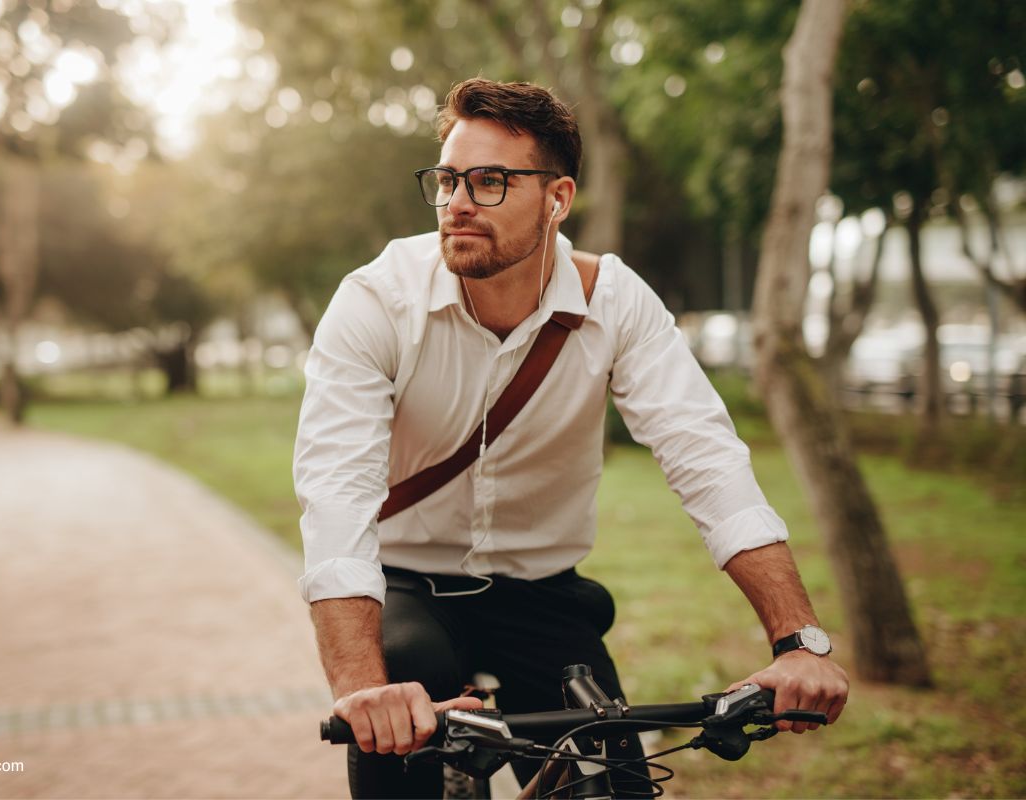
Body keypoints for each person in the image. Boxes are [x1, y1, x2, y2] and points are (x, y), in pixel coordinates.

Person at [293, 77, 849, 798]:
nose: (457, 202)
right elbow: (336, 492)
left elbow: (708, 462)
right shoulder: (376, 300)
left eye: (490, 181)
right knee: (402, 688)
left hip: (541, 595)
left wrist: (796, 641)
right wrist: (362, 689)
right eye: (447, 179)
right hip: (406, 588)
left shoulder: (616, 303)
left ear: (557, 199)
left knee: (610, 778)